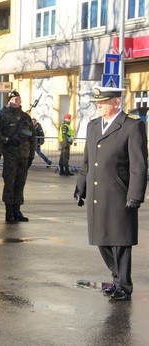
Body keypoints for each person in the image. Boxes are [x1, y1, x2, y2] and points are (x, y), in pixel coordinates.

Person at [75, 86, 147, 301]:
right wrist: (81, 187)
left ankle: (123, 285)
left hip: (118, 192)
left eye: (103, 102)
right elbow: (87, 160)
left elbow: (139, 165)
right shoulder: (93, 126)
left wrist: (135, 194)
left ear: (116, 102)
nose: (99, 105)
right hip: (98, 191)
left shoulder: (132, 126)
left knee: (120, 241)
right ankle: (116, 279)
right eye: (97, 102)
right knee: (101, 239)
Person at [0, 90, 36, 222]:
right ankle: (9, 211)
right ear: (8, 101)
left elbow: (32, 137)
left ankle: (17, 210)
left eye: (17, 99)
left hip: (24, 156)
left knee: (20, 183)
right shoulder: (3, 116)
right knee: (10, 183)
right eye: (13, 99)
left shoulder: (25, 117)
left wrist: (31, 155)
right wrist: (6, 140)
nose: (15, 101)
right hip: (11, 156)